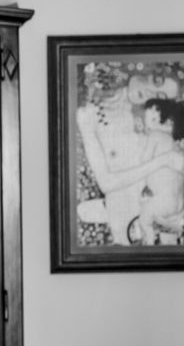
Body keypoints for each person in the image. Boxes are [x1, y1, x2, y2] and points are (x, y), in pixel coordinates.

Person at [76, 98, 184, 245]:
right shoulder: (117, 117)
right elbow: (107, 183)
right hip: (138, 201)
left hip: (152, 205)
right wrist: (163, 160)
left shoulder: (157, 137)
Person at [137, 98, 184, 244]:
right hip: (179, 203)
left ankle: (150, 243)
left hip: (163, 202)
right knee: (168, 225)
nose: (147, 123)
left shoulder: (155, 136)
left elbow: (144, 161)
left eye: (151, 119)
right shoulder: (176, 143)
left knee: (144, 219)